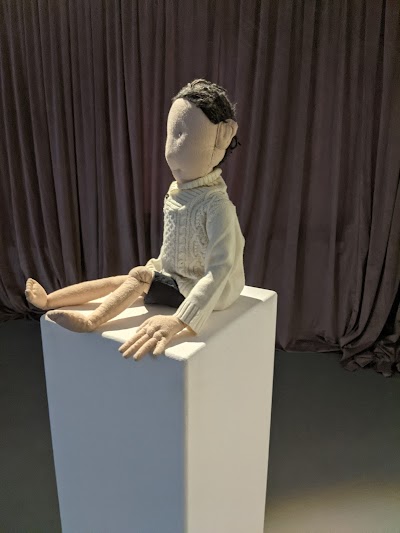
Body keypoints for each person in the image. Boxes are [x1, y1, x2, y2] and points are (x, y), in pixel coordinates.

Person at [25, 79, 245, 360]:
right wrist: (159, 270)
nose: (172, 150)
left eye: (185, 136)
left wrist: (179, 320)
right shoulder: (177, 193)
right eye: (173, 135)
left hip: (209, 289)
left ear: (220, 139)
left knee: (139, 277)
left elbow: (219, 270)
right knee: (126, 279)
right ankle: (50, 300)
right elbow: (174, 249)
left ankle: (92, 321)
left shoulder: (217, 206)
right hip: (179, 277)